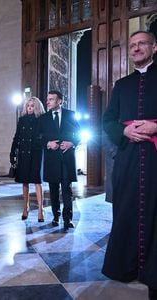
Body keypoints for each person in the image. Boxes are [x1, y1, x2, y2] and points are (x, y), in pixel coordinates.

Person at [102, 31, 157, 299]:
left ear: (154, 47)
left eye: (142, 43)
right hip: (128, 159)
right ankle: (127, 266)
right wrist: (124, 132)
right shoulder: (121, 85)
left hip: (156, 158)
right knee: (127, 209)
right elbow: (107, 121)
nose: (136, 48)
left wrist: (155, 126)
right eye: (132, 45)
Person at [37, 90, 80, 230]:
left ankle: (68, 220)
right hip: (52, 159)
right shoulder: (43, 118)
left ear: (60, 101)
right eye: (47, 99)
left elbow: (80, 133)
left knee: (67, 190)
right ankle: (56, 216)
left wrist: (72, 143)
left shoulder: (71, 115)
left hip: (67, 159)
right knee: (53, 190)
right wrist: (48, 144)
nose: (48, 101)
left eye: (51, 99)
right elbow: (38, 137)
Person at [10, 96, 46, 222]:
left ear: (36, 107)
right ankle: (25, 208)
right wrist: (12, 151)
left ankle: (41, 209)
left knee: (37, 181)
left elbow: (44, 136)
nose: (30, 108)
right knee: (25, 181)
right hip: (24, 153)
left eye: (32, 106)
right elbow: (17, 136)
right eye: (28, 106)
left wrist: (39, 143)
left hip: (36, 153)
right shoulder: (22, 120)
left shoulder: (41, 120)